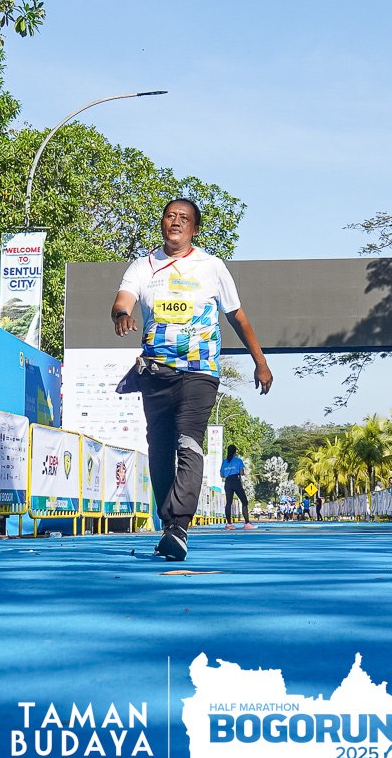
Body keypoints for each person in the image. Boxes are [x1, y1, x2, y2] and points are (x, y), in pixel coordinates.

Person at [113, 198, 274, 562]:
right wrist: (121, 314)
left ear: (195, 229)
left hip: (200, 372)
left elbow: (237, 316)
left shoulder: (211, 266)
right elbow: (123, 300)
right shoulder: (143, 266)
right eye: (170, 216)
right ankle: (169, 525)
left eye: (184, 218)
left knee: (188, 441)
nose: (176, 222)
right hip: (156, 372)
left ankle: (179, 525)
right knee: (160, 448)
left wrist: (260, 362)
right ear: (162, 223)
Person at [220, 443, 252, 529]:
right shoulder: (238, 461)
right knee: (244, 501)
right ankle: (247, 523)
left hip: (227, 482)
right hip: (236, 481)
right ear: (235, 452)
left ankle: (228, 523)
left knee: (229, 502)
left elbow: (221, 475)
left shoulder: (224, 461)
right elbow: (241, 472)